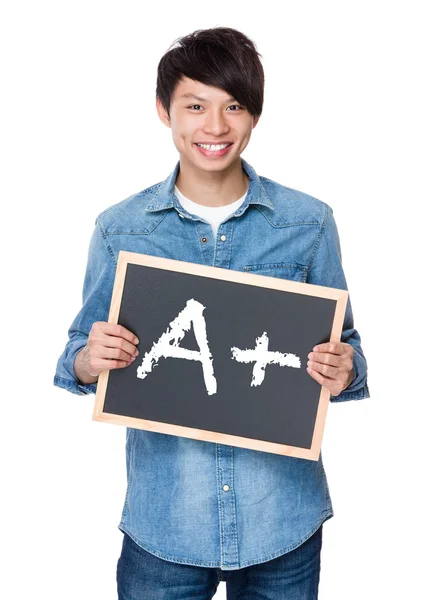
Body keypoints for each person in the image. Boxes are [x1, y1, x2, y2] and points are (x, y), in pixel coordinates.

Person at [53, 26, 370, 600]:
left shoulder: (308, 224)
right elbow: (76, 353)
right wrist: (86, 360)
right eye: (195, 106)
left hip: (283, 520)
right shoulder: (120, 230)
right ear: (163, 110)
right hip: (165, 524)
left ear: (254, 116)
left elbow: (348, 351)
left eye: (233, 107)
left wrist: (345, 368)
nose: (215, 127)